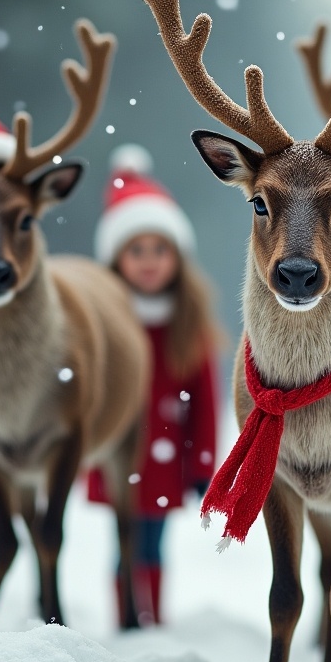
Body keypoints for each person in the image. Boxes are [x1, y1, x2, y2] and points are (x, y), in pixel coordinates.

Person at [87, 144, 223, 625]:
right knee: (123, 541)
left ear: (177, 258)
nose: (148, 262)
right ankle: (125, 616)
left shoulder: (187, 324)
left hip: (165, 455)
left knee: (153, 543)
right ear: (116, 257)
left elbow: (206, 402)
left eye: (159, 250)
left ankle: (154, 617)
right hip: (117, 451)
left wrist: (204, 463)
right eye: (136, 250)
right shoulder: (104, 321)